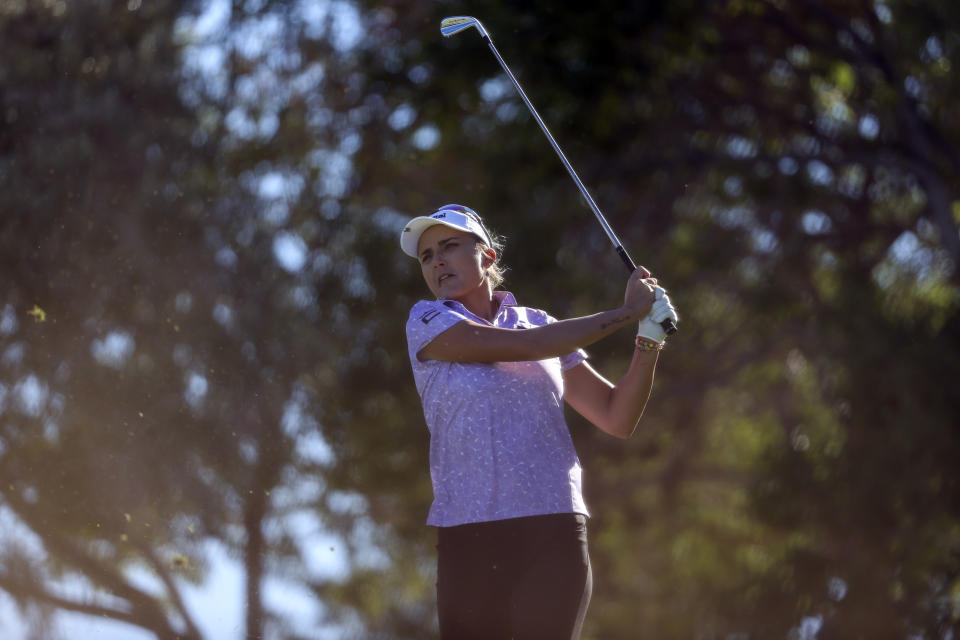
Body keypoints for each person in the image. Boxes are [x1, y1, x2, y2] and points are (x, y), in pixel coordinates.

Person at [401, 204, 678, 640]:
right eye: (426, 255)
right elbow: (528, 347)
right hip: (468, 535)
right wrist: (625, 313)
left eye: (450, 246)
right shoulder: (427, 321)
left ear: (487, 256)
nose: (436, 261)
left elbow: (615, 416)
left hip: (554, 530)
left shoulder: (539, 321)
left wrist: (648, 339)